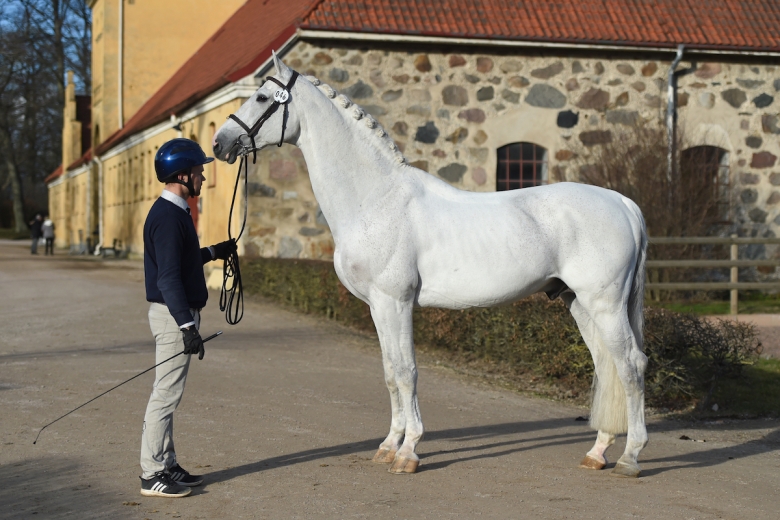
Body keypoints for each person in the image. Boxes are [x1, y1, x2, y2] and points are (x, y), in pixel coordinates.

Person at [139, 138, 236, 498]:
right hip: (171, 316)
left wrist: (213, 252)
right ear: (182, 175)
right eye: (198, 172)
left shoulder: (175, 212)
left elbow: (180, 260)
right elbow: (167, 277)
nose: (203, 178)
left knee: (170, 394)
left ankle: (166, 463)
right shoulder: (167, 217)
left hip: (176, 315)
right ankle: (151, 474)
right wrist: (186, 326)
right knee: (164, 396)